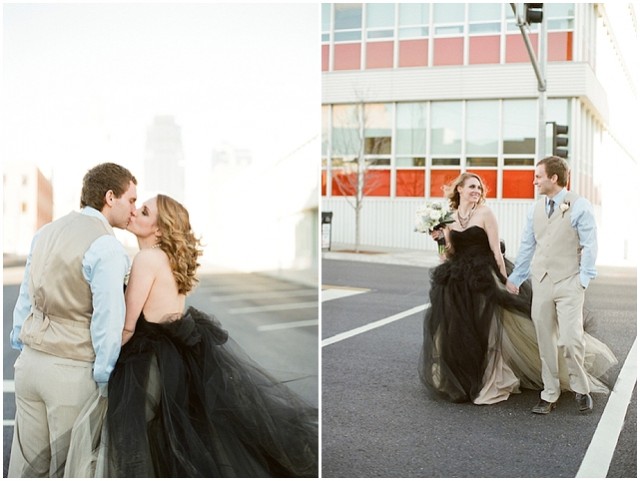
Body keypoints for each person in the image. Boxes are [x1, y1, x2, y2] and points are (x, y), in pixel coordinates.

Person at [65, 194, 318, 477]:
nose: (135, 213)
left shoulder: (147, 259)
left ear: (159, 230)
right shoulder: (171, 260)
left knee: (136, 440)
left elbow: (127, 326)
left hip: (147, 363)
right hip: (177, 361)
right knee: (172, 443)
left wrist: (99, 362)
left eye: (144, 212)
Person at [419, 172, 616, 406]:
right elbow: (446, 255)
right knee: (460, 329)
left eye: (479, 188)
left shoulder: (485, 213)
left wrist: (506, 280)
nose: (477, 191)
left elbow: (495, 251)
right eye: (472, 186)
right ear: (459, 189)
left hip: (484, 275)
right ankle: (465, 376)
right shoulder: (449, 217)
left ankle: (493, 377)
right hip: (457, 279)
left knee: (490, 328)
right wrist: (439, 239)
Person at [8, 163, 138, 477]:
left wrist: (21, 341)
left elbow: (25, 298)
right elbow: (107, 321)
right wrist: (105, 376)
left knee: (27, 470)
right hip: (71, 372)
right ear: (110, 197)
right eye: (131, 200)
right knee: (73, 469)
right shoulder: (106, 246)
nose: (134, 209)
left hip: (30, 365)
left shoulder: (45, 233)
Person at [506, 156, 610, 415]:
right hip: (541, 281)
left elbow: (589, 244)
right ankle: (549, 392)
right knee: (544, 340)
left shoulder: (579, 205)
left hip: (569, 282)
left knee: (569, 339)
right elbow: (528, 245)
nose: (534, 181)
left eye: (538, 176)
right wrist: (516, 278)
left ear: (554, 178)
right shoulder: (535, 209)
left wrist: (583, 279)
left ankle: (581, 388)